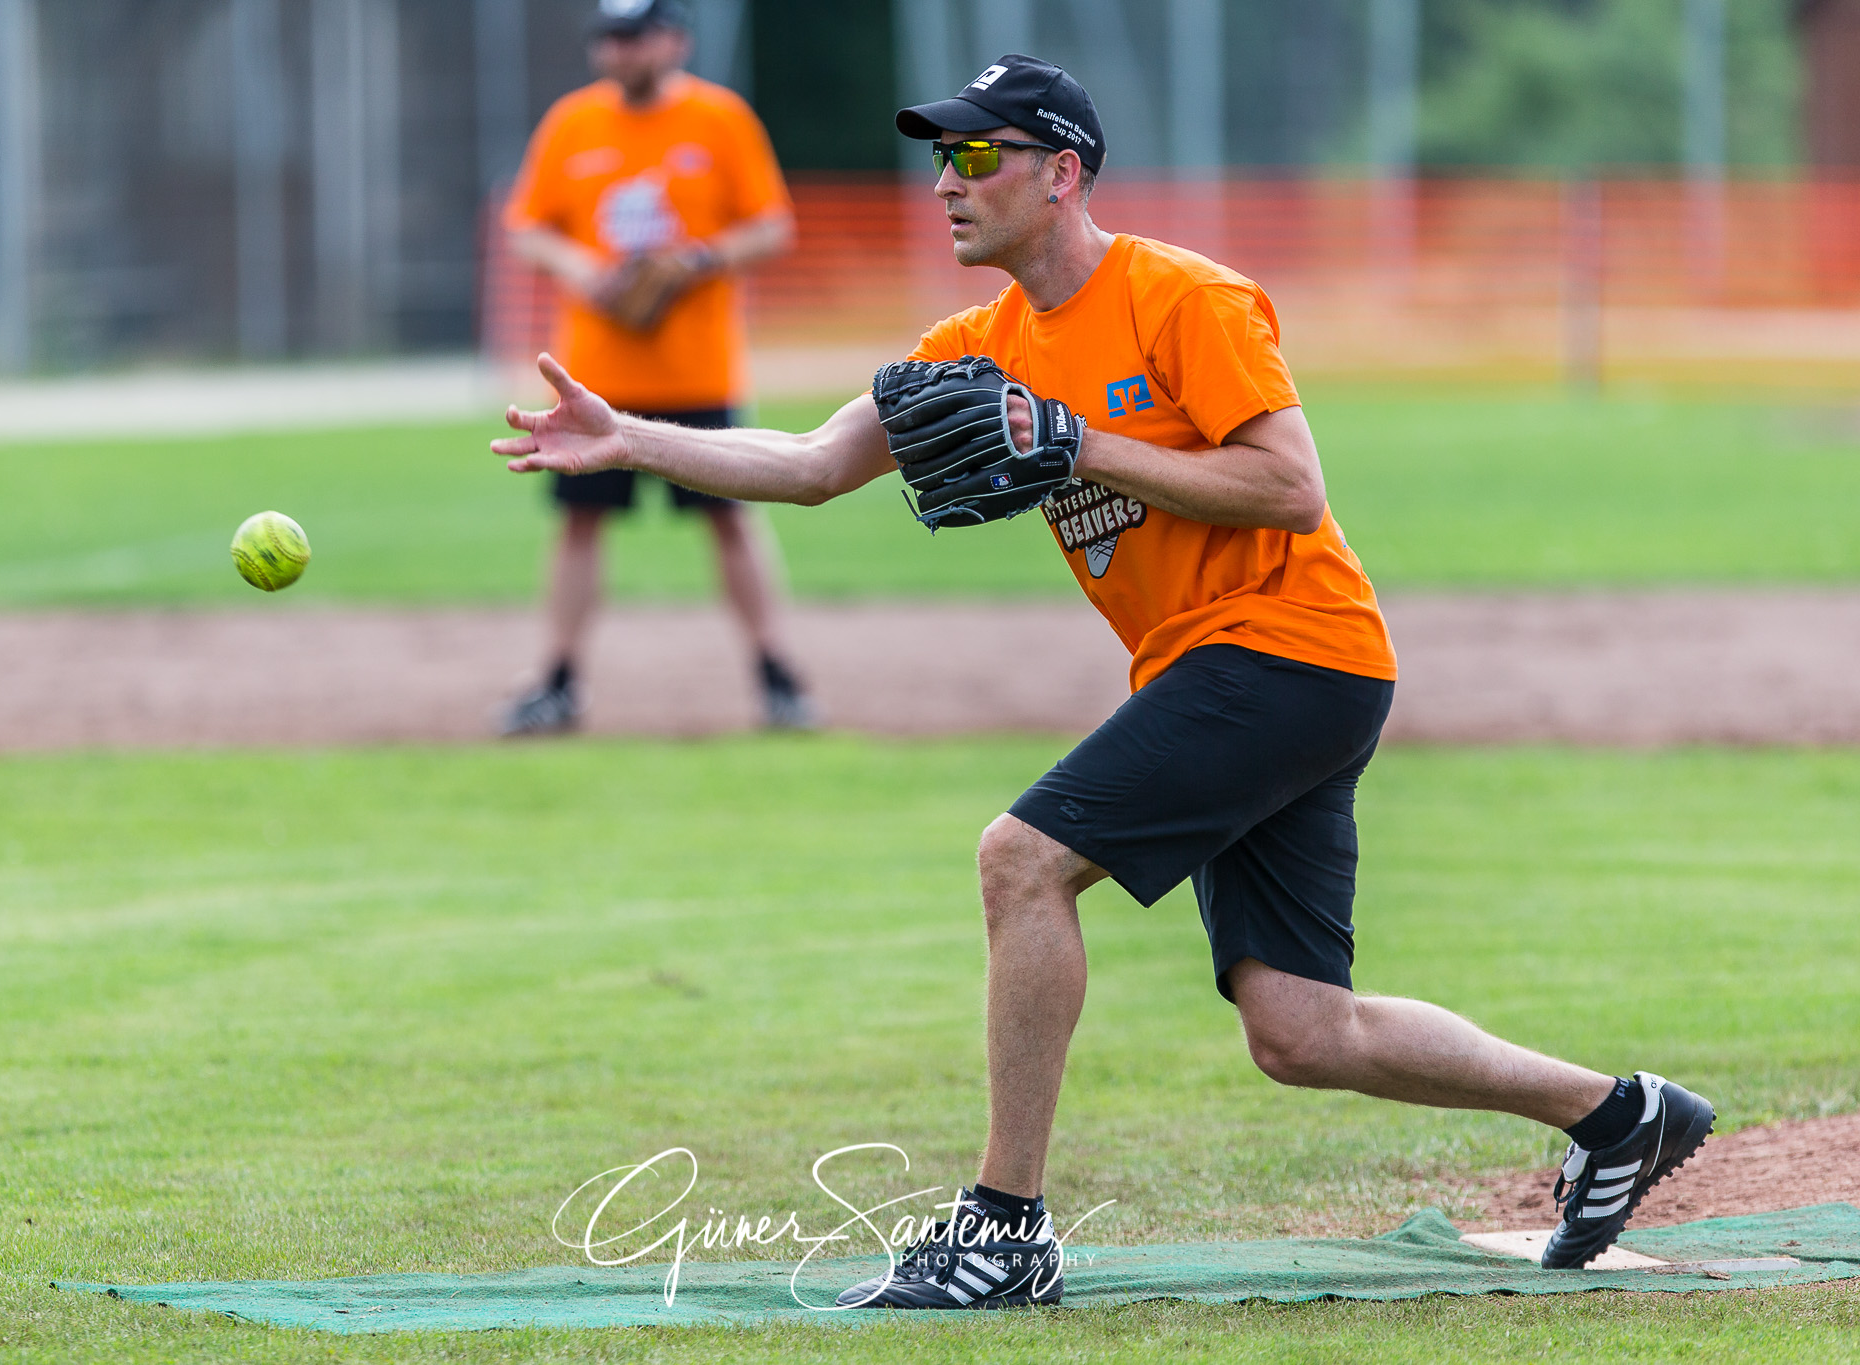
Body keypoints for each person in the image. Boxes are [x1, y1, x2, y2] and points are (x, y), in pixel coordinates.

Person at [494, 54, 1713, 1307]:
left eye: (978, 156)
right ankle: (1617, 1114)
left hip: (1290, 644)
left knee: (1018, 858)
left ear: (1061, 172)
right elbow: (809, 462)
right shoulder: (975, 344)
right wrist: (631, 436)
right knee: (1297, 1031)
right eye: (940, 159)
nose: (947, 184)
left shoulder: (1185, 297)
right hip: (1227, 666)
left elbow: (1290, 488)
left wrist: (1079, 442)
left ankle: (1003, 1232)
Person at [497, 0, 815, 735]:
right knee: (579, 522)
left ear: (675, 40)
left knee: (730, 518)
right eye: (609, 38)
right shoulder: (572, 123)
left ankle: (777, 675)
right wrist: (580, 267)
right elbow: (526, 227)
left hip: (697, 371)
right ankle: (558, 679)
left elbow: (772, 224)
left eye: (636, 36)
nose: (621, 50)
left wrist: (699, 260)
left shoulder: (720, 119)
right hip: (594, 374)